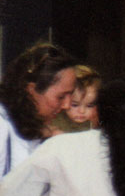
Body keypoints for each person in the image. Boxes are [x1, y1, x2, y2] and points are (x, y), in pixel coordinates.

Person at [0, 43, 78, 177]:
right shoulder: (2, 127)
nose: (67, 105)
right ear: (31, 90)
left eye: (71, 95)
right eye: (61, 97)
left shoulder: (39, 129)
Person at [49, 64, 101, 135]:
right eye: (75, 105)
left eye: (89, 105)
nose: (82, 111)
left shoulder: (95, 123)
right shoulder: (54, 121)